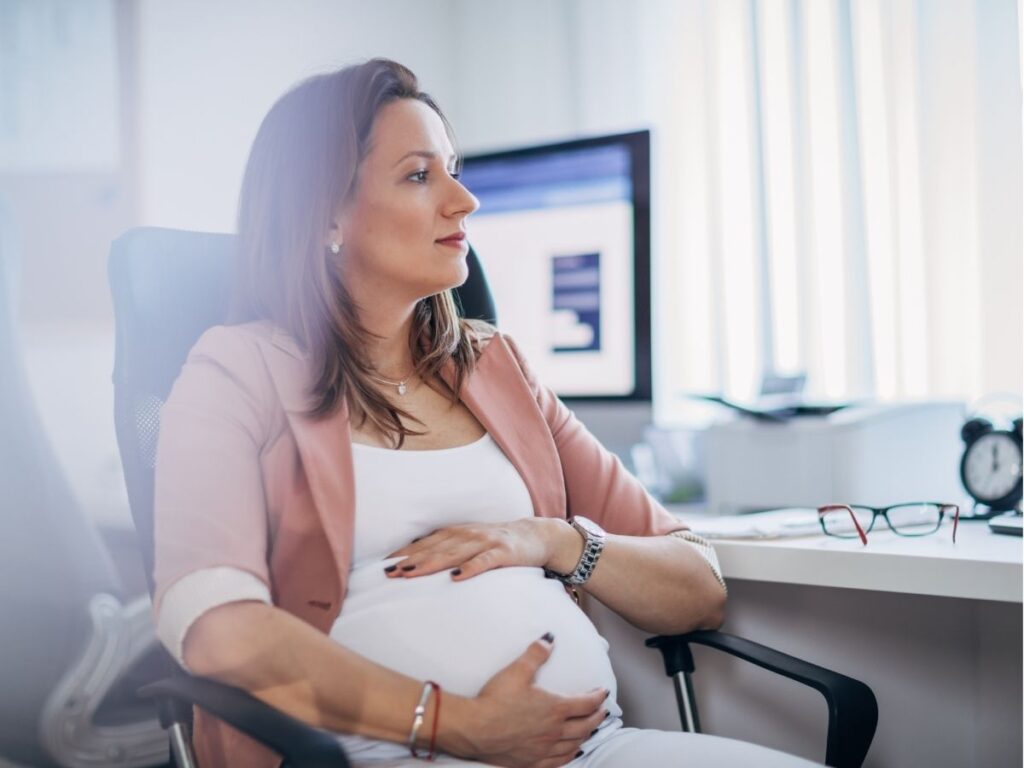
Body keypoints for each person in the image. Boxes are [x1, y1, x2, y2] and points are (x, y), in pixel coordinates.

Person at [152, 58, 822, 768]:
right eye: (419, 175)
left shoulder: (492, 365)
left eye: (455, 168)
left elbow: (697, 587)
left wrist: (556, 542)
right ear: (324, 214)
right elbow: (218, 631)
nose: (464, 200)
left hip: (595, 752)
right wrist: (452, 722)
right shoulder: (237, 369)